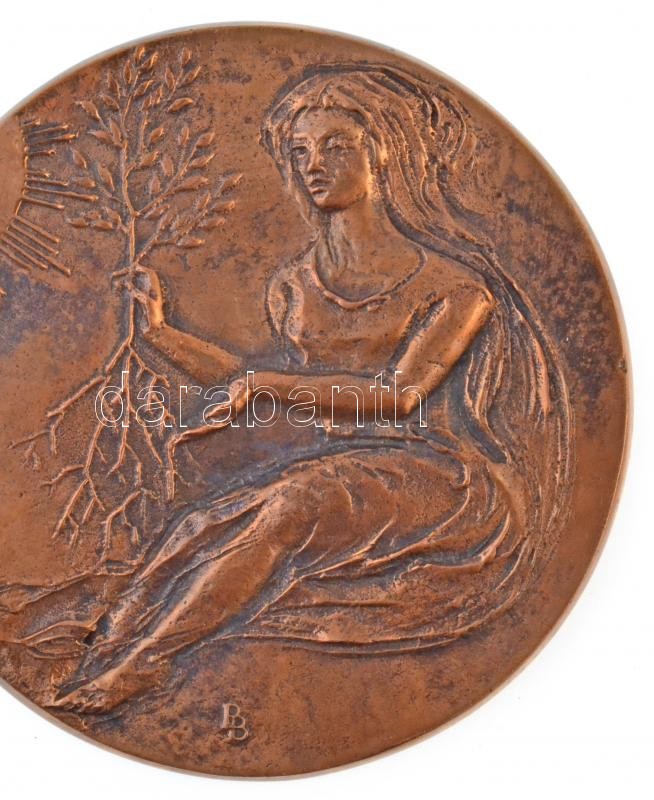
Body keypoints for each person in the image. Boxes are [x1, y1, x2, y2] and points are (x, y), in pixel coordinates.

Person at [54, 64, 572, 713]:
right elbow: (258, 383)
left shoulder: (455, 289)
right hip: (339, 466)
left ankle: (143, 666)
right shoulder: (295, 287)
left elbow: (398, 396)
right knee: (200, 523)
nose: (313, 166)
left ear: (385, 153)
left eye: (335, 147)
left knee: (289, 506)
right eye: (299, 152)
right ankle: (105, 641)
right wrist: (159, 334)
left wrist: (265, 383)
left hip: (438, 477)